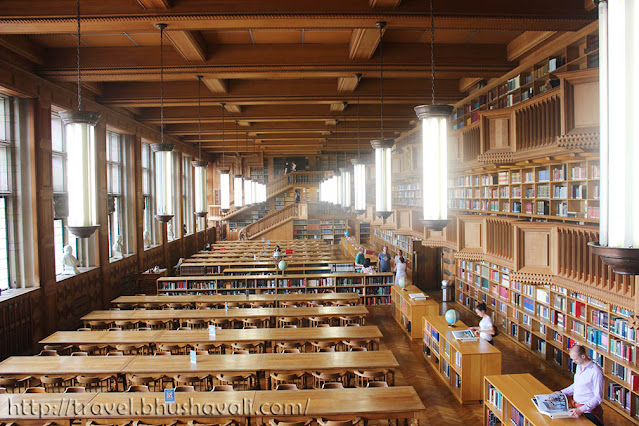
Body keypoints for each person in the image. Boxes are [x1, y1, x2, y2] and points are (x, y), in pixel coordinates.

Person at [556, 345, 604, 425]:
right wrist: (561, 392)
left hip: (589, 412)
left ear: (583, 356)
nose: (573, 362)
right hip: (576, 408)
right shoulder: (579, 366)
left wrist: (581, 410)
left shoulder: (595, 372)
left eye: (575, 359)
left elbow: (598, 398)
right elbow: (577, 385)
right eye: (572, 359)